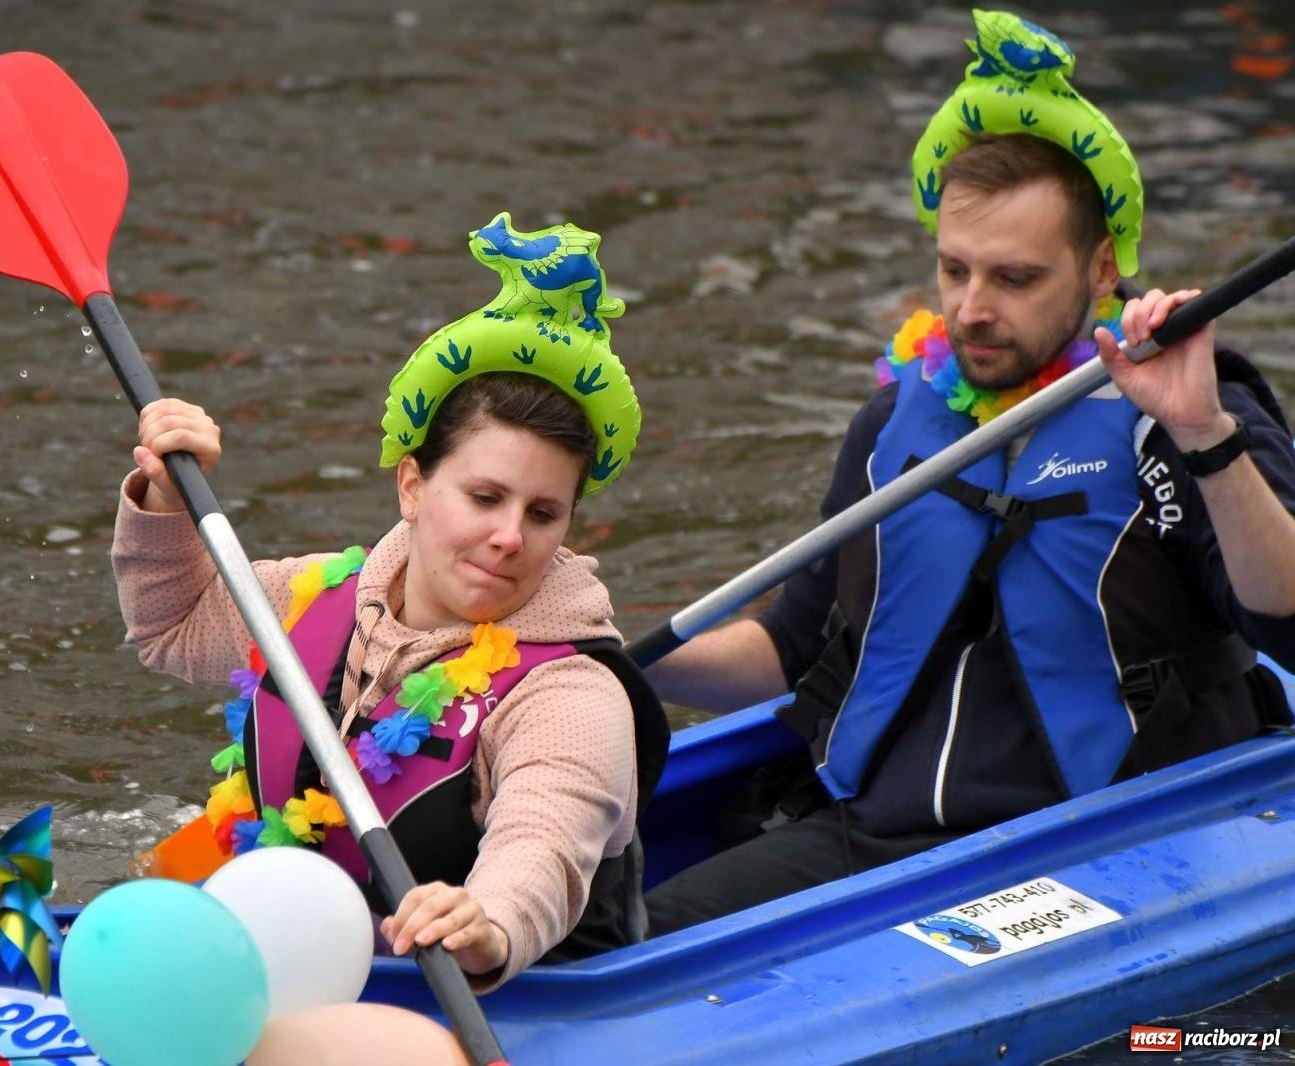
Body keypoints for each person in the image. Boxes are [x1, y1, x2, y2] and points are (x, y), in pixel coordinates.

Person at [643, 9, 1295, 933]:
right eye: (954, 270)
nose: (971, 309)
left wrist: (1204, 433)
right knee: (633, 939)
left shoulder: (1187, 412)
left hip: (1098, 849)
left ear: (1102, 265)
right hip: (879, 838)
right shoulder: (891, 424)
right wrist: (616, 658)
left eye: (1015, 279)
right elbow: (789, 653)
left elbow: (1290, 619)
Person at [111, 214, 668, 989]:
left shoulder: (573, 694)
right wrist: (166, 500)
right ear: (412, 486)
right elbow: (170, 625)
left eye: (543, 513)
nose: (510, 535)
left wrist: (488, 923)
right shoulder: (315, 597)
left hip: (502, 999)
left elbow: (545, 842)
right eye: (484, 496)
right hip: (300, 960)